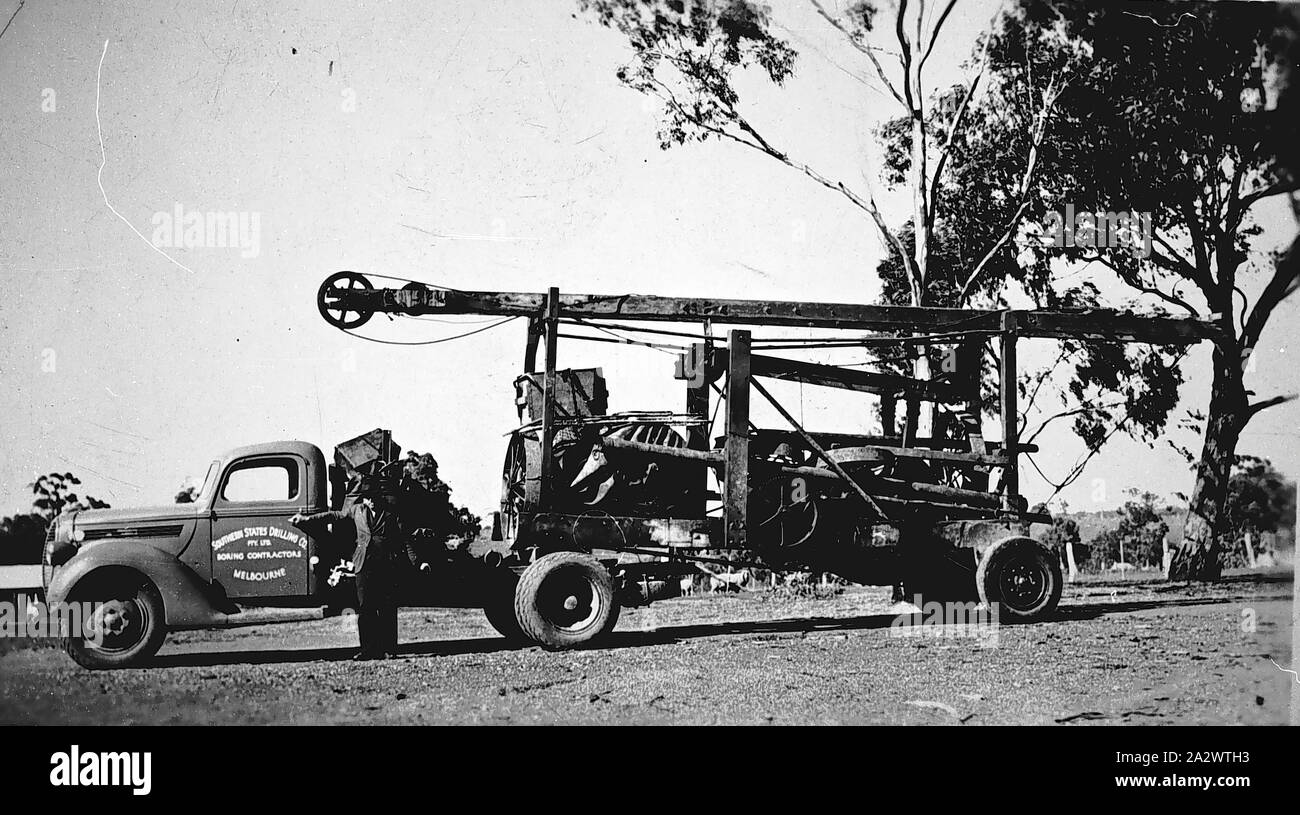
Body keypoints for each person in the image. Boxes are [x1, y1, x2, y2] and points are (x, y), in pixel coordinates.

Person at [290, 479, 408, 660]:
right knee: (365, 607)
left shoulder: (391, 514)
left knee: (386, 608)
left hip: (386, 565)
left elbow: (404, 538)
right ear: (364, 499)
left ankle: (389, 649)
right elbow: (335, 516)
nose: (371, 501)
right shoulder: (356, 510)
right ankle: (368, 650)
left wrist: (415, 561)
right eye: (368, 498)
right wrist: (306, 520)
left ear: (379, 497)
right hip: (363, 565)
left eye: (374, 497)